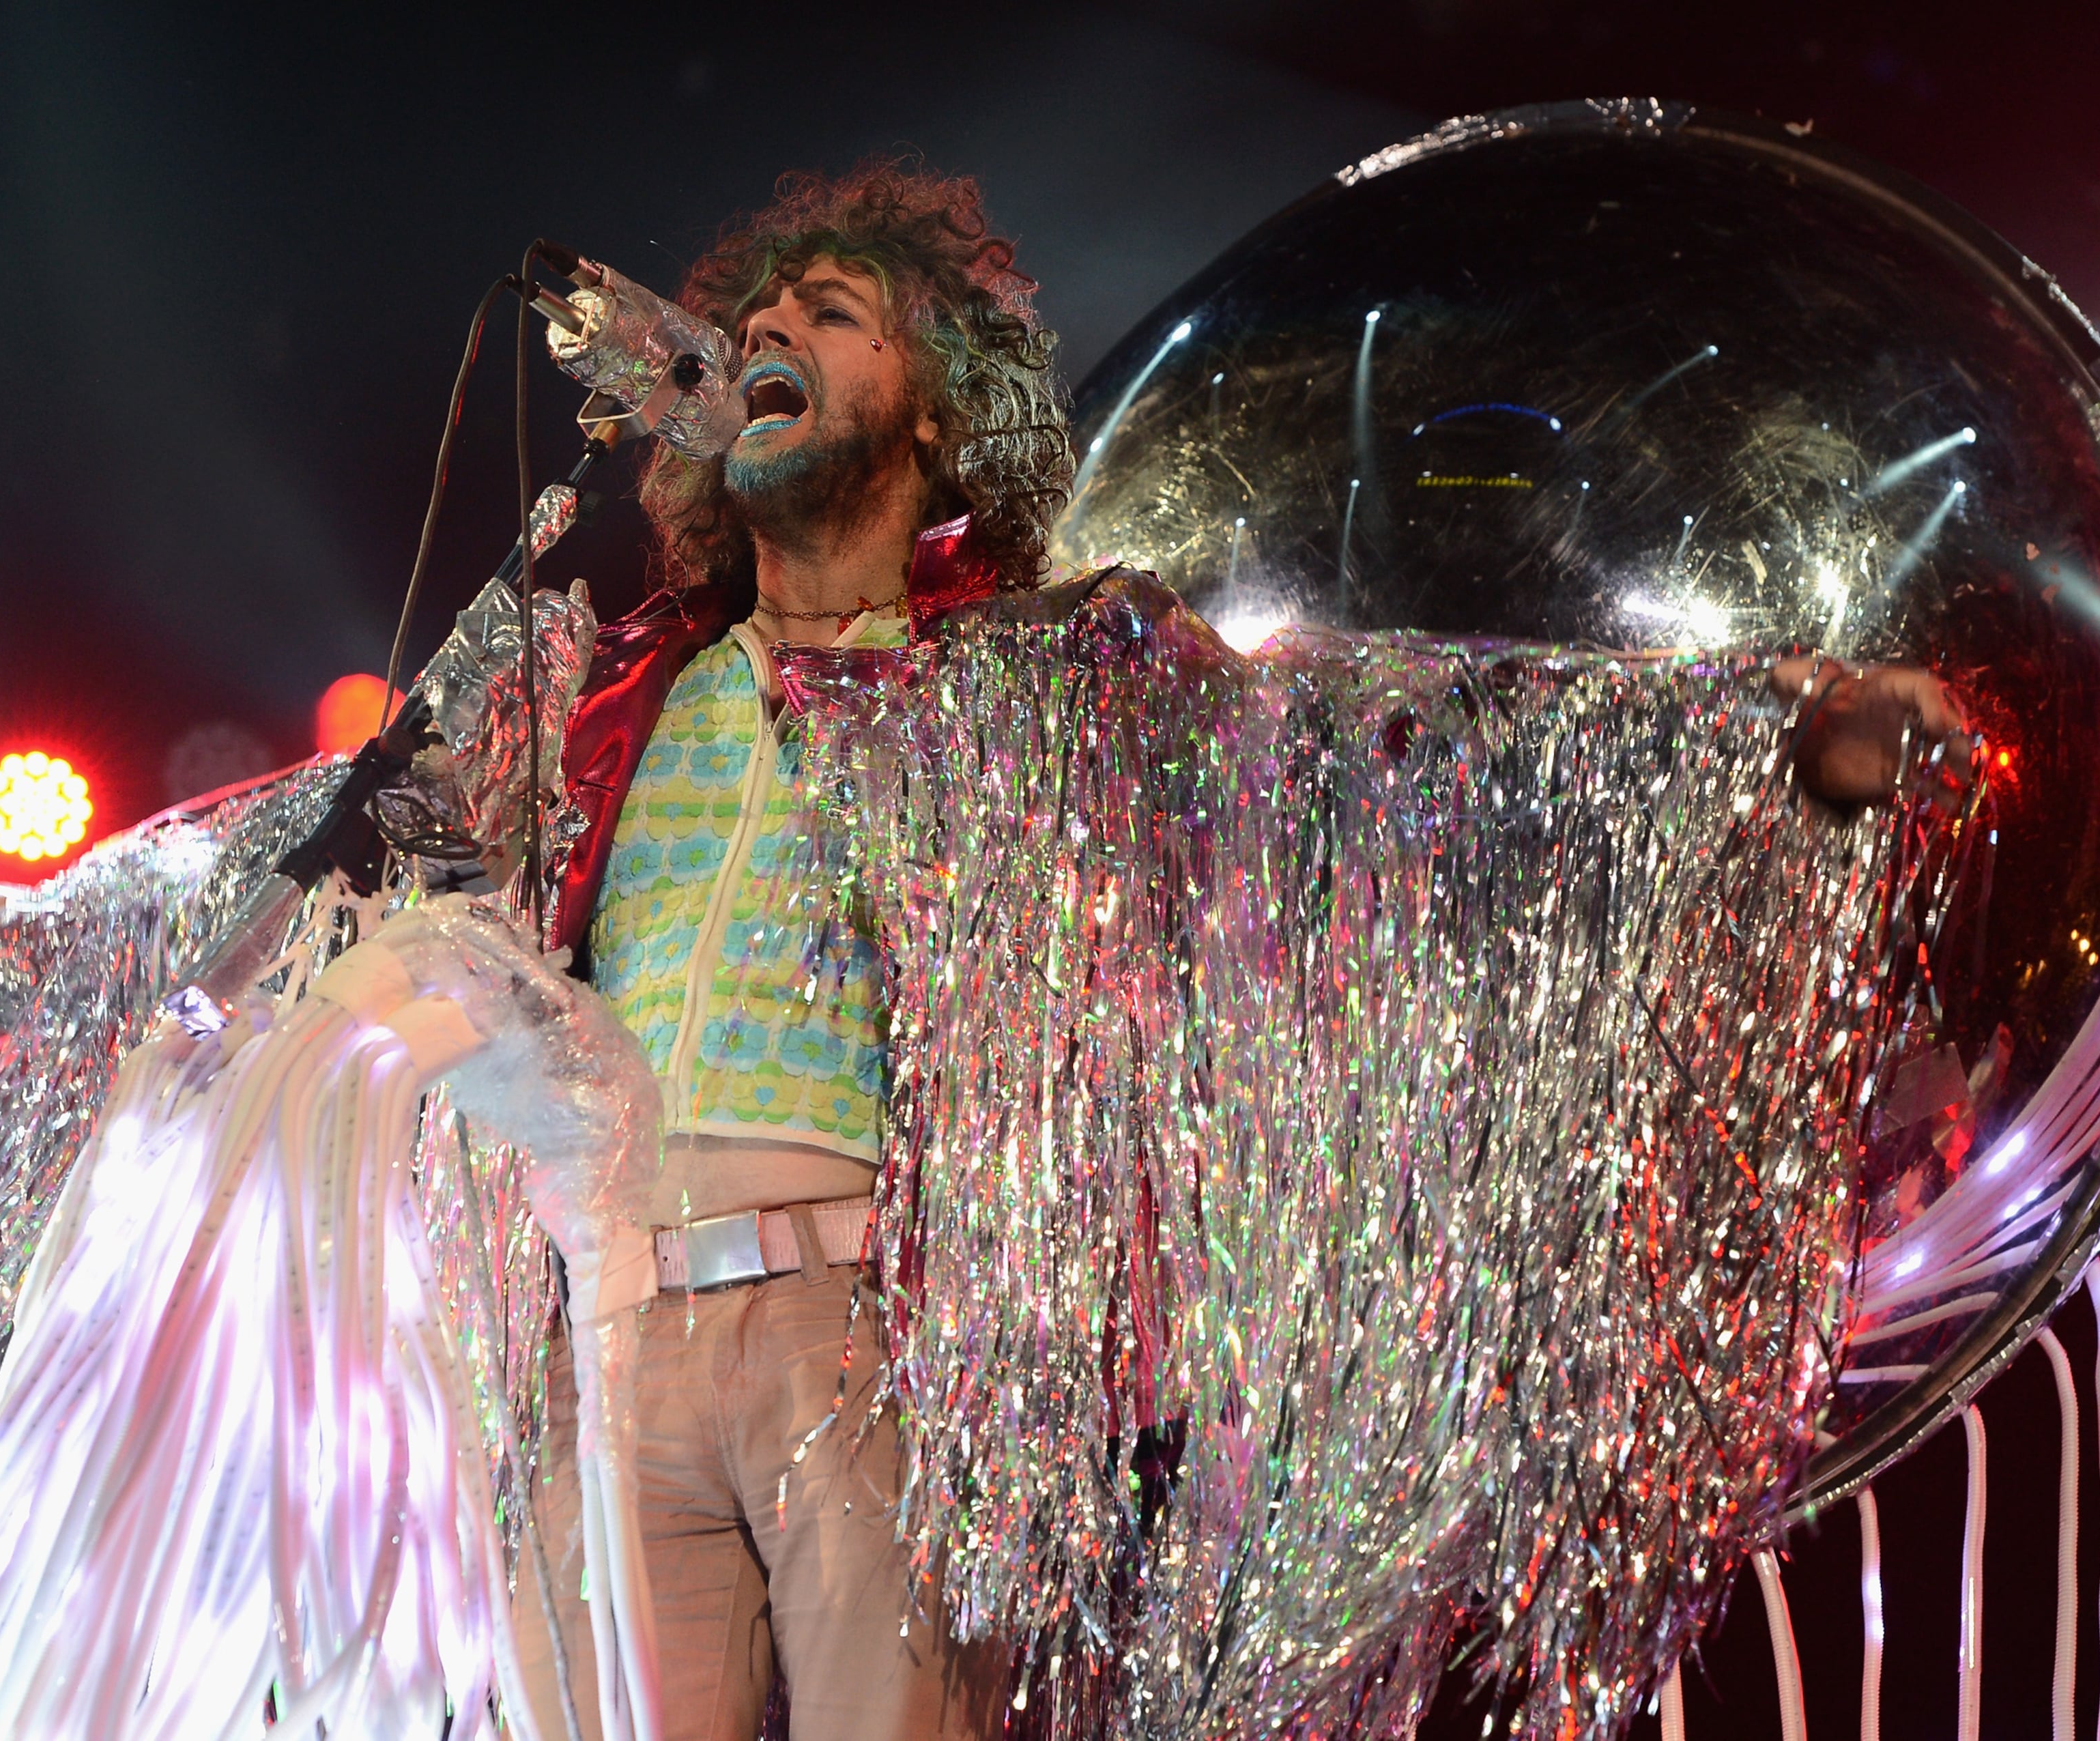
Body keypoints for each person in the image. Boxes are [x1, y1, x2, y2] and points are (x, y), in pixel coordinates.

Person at [505, 159, 1960, 1741]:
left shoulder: (1051, 687)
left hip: (884, 1348)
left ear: (932, 414)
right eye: (758, 314)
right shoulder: (610, 696)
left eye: (831, 314)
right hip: (613, 1345)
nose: (769, 325)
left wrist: (1765, 740)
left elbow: (1381, 744)